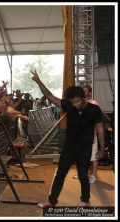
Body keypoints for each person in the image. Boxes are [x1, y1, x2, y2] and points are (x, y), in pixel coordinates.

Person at [30, 70, 106, 207]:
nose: (75, 104)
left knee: (83, 176)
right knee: (60, 174)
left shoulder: (94, 109)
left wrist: (101, 148)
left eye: (77, 101)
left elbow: (100, 129)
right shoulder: (68, 105)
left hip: (85, 148)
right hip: (69, 147)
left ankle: (85, 200)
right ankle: (52, 201)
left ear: (84, 98)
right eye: (72, 102)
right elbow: (49, 96)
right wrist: (38, 81)